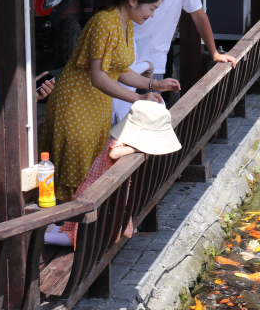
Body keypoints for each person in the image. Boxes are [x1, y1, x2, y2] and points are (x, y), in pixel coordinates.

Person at [39, 0, 181, 202]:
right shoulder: (104, 21)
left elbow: (119, 70)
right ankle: (67, 232)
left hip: (96, 109)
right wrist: (138, 98)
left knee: (91, 177)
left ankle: (77, 234)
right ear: (134, 0)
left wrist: (154, 84)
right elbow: (99, 77)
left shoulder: (125, 24)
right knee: (77, 181)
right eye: (152, 8)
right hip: (77, 107)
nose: (152, 15)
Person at [110, 0, 238, 124]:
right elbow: (111, 14)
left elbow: (198, 15)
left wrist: (214, 52)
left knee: (148, 120)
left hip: (155, 60)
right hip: (121, 58)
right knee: (117, 119)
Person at [45, 100, 182, 247]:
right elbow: (114, 153)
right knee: (80, 237)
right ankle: (44, 239)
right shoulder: (121, 139)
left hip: (100, 190)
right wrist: (137, 149)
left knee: (80, 231)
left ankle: (49, 230)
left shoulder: (126, 137)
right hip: (94, 192)